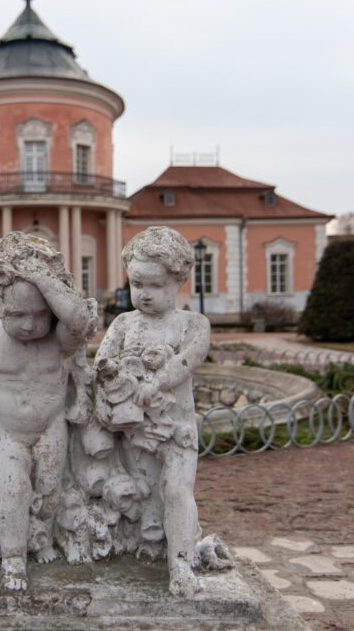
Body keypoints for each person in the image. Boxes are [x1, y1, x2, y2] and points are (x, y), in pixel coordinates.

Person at [0, 232, 95, 591]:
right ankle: (13, 559)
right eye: (16, 314)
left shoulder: (59, 337)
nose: (27, 325)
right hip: (8, 432)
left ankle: (41, 538)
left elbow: (80, 320)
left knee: (49, 491)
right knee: (14, 491)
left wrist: (39, 275)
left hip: (50, 425)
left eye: (39, 315)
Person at [94, 226, 210, 597]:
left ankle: (181, 564)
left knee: (176, 491)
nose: (142, 294)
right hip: (133, 431)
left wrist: (156, 382)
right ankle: (143, 548)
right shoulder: (123, 323)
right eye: (136, 284)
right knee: (143, 493)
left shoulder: (193, 324)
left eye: (154, 286)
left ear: (177, 282)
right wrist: (111, 380)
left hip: (176, 429)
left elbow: (185, 362)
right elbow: (101, 362)